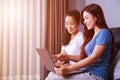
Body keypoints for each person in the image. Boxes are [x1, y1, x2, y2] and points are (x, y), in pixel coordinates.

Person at [46, 4, 116, 80]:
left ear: (96, 17)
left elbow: (93, 58)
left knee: (54, 79)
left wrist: (69, 69)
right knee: (52, 75)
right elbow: (84, 58)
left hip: (96, 75)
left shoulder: (104, 33)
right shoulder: (92, 35)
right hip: (85, 71)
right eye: (84, 19)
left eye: (86, 18)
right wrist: (67, 57)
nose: (84, 22)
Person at [45, 10, 84, 79]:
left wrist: (67, 60)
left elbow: (84, 58)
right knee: (50, 75)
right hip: (67, 68)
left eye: (72, 23)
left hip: (76, 69)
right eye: (66, 23)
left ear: (78, 23)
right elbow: (62, 57)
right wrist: (58, 63)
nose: (69, 26)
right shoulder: (66, 38)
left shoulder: (82, 38)